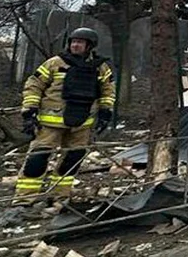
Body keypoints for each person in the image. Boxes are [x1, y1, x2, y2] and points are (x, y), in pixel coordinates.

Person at [16, 27, 115, 197]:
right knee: (37, 159)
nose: (75, 45)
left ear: (90, 46)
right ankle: (25, 198)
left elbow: (108, 91)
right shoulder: (55, 63)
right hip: (50, 122)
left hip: (83, 124)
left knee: (73, 159)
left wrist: (106, 112)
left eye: (80, 42)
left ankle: (60, 195)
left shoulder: (100, 68)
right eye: (73, 42)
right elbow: (34, 85)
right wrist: (29, 111)